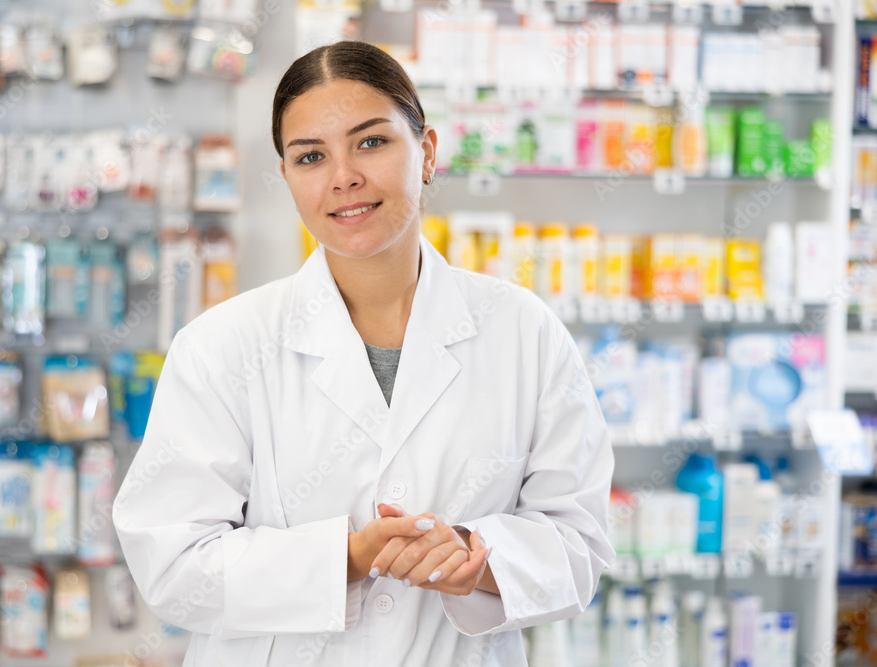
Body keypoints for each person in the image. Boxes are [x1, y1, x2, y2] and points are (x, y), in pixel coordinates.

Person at [112, 40, 615, 667]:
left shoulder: (523, 332)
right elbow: (172, 565)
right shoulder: (222, 347)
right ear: (287, 178)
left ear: (426, 151)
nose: (343, 176)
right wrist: (347, 559)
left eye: (371, 142)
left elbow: (581, 546)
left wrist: (475, 553)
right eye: (310, 156)